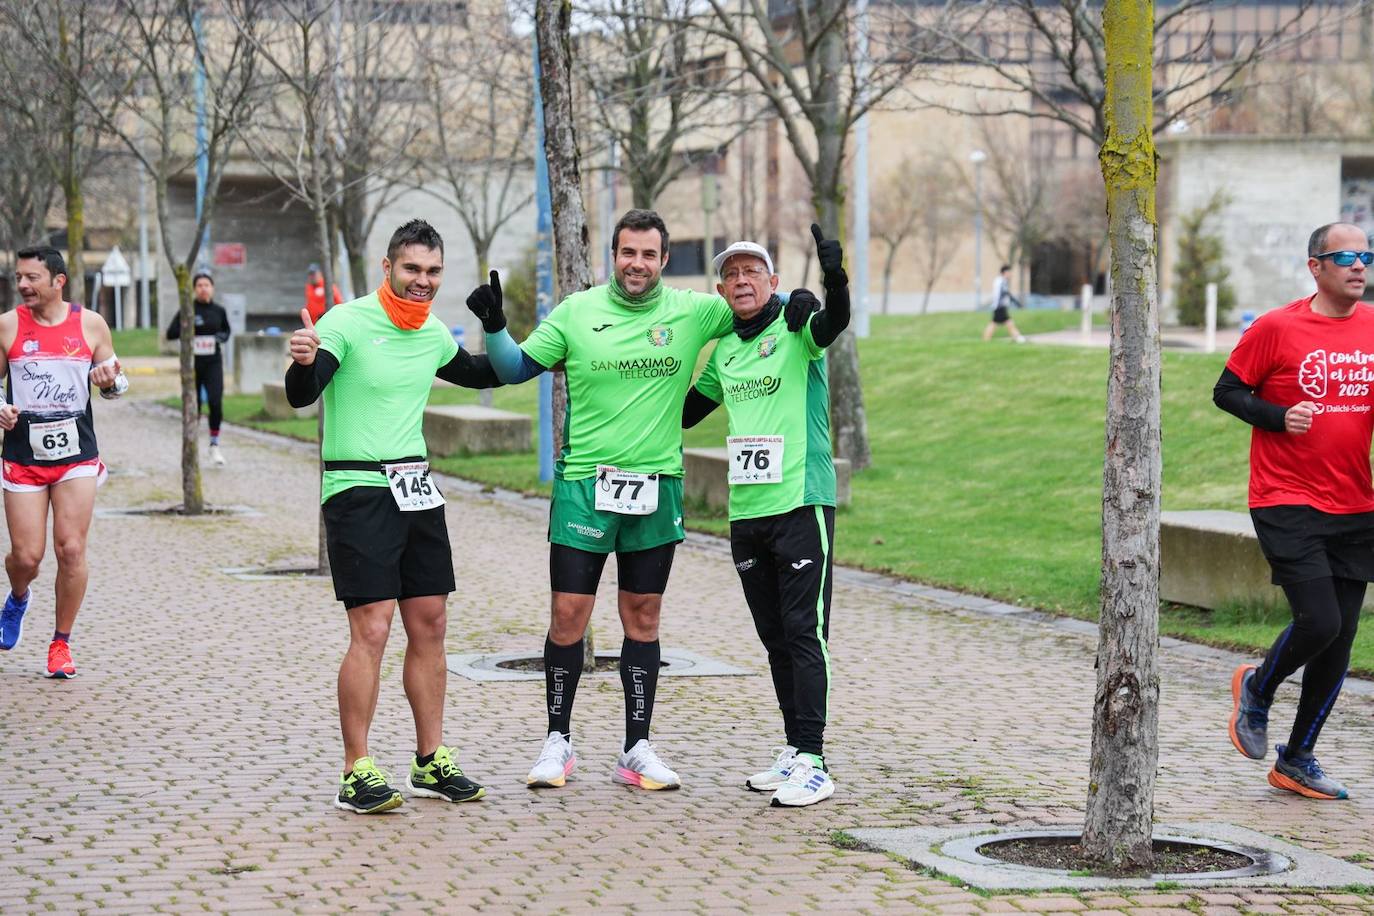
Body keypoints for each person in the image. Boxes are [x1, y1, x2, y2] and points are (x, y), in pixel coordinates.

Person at [466, 208, 813, 791]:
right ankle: (558, 741)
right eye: (628, 253)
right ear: (614, 255)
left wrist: (800, 296)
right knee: (568, 616)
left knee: (643, 619)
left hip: (658, 487)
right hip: (584, 486)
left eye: (648, 255)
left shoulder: (695, 311)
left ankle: (637, 747)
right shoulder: (577, 313)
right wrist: (497, 326)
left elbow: (756, 302)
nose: (637, 264)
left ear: (664, 261)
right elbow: (511, 369)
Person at [285, 219, 499, 814]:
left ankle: (430, 760)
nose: (423, 281)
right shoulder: (346, 323)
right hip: (356, 487)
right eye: (412, 270)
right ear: (388, 268)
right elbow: (303, 395)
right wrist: (303, 360)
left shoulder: (430, 332)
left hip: (416, 487)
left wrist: (505, 330)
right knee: (373, 627)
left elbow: (484, 372)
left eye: (433, 272)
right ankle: (356, 769)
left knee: (430, 623)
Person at [681, 226, 847, 808]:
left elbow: (834, 323)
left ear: (772, 282)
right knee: (775, 636)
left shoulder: (798, 326)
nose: (742, 280)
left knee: (806, 632)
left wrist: (833, 281)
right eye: (731, 274)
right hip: (747, 512)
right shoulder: (724, 349)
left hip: (801, 502)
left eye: (753, 271)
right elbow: (683, 412)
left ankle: (815, 759)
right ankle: (794, 748)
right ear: (722, 290)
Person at [1215, 221, 1374, 801]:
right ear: (1316, 266)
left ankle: (1298, 759)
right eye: (1348, 256)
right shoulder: (1278, 327)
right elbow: (1227, 392)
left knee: (1341, 636)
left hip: (1357, 502)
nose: (1360, 266)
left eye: (1367, 255)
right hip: (1286, 496)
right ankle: (1257, 687)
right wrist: (1280, 416)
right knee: (1321, 621)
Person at [0, 246, 126, 678]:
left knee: (70, 548)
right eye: (19, 277)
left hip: (76, 452)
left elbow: (116, 382)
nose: (22, 285)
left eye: (32, 277)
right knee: (26, 555)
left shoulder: (90, 325)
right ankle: (18, 597)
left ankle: (60, 643)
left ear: (58, 281)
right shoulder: (8, 326)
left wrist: (110, 383)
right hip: (22, 452)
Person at [165, 272, 231, 465]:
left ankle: (214, 445)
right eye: (200, 285)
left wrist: (219, 338)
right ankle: (191, 447)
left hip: (213, 362)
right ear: (194, 289)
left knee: (215, 402)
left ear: (212, 288)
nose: (203, 288)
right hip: (192, 364)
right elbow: (171, 333)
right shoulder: (188, 310)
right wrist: (187, 331)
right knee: (194, 405)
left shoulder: (219, 310)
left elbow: (227, 331)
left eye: (207, 285)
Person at [982, 264, 1026, 343]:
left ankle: (986, 340)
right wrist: (1016, 303)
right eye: (1009, 272)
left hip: (999, 307)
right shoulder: (1001, 281)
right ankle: (1018, 338)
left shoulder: (999, 280)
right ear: (1005, 272)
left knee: (997, 323)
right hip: (1000, 307)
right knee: (1006, 323)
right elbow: (1005, 293)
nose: (1010, 274)